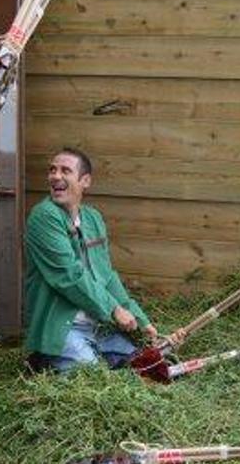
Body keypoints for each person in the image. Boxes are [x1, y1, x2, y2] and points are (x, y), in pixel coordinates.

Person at [24, 147, 179, 372]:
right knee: (95, 378)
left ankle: (77, 358)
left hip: (98, 326)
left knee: (145, 366)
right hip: (64, 328)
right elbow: (69, 275)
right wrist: (114, 310)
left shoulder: (93, 219)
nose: (55, 176)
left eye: (65, 171)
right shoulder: (44, 216)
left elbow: (107, 276)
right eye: (52, 170)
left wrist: (141, 319)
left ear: (85, 181)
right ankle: (43, 358)